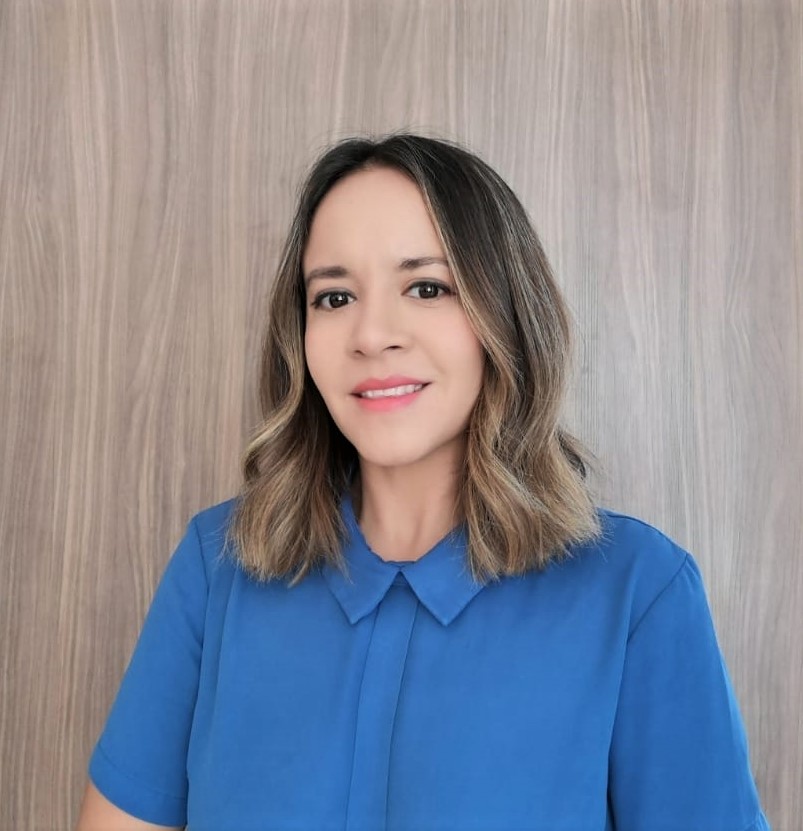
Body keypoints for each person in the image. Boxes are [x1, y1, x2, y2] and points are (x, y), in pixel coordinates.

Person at [76, 134, 771, 831]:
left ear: (504, 315)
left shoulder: (638, 594)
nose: (371, 334)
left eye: (426, 287)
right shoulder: (217, 567)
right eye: (334, 296)